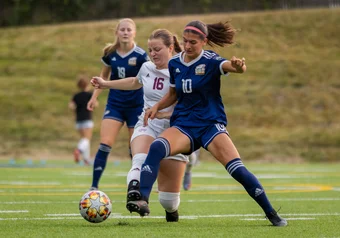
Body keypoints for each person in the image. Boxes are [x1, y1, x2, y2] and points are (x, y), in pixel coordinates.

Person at [127, 20, 288, 227]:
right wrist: (157, 106)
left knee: (237, 169)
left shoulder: (211, 61)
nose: (187, 46)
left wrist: (240, 66)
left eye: (193, 42)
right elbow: (174, 93)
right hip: (184, 125)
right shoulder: (175, 63)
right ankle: (142, 199)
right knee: (157, 147)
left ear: (204, 41)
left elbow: (230, 66)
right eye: (184, 41)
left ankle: (272, 213)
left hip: (210, 125)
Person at [91, 28, 188, 222]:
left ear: (170, 48)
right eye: (150, 50)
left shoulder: (182, 70)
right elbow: (135, 82)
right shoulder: (146, 67)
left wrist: (163, 113)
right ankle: (135, 193)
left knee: (168, 202)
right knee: (139, 158)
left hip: (174, 130)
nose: (152, 54)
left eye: (157, 49)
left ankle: (170, 209)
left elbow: (188, 105)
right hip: (148, 124)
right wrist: (105, 83)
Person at [87, 18, 149, 190]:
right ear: (116, 32)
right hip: (115, 104)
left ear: (134, 33)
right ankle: (94, 187)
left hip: (136, 106)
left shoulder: (141, 55)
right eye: (122, 30)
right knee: (105, 142)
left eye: (129, 30)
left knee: (135, 147)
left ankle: (138, 185)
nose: (125, 33)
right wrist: (94, 97)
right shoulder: (110, 53)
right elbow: (104, 78)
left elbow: (148, 78)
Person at [69, 75, 96, 165]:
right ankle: (79, 150)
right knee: (87, 139)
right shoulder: (89, 95)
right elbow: (95, 104)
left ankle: (86, 160)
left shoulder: (76, 96)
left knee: (84, 139)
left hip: (78, 120)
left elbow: (71, 106)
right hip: (87, 119)